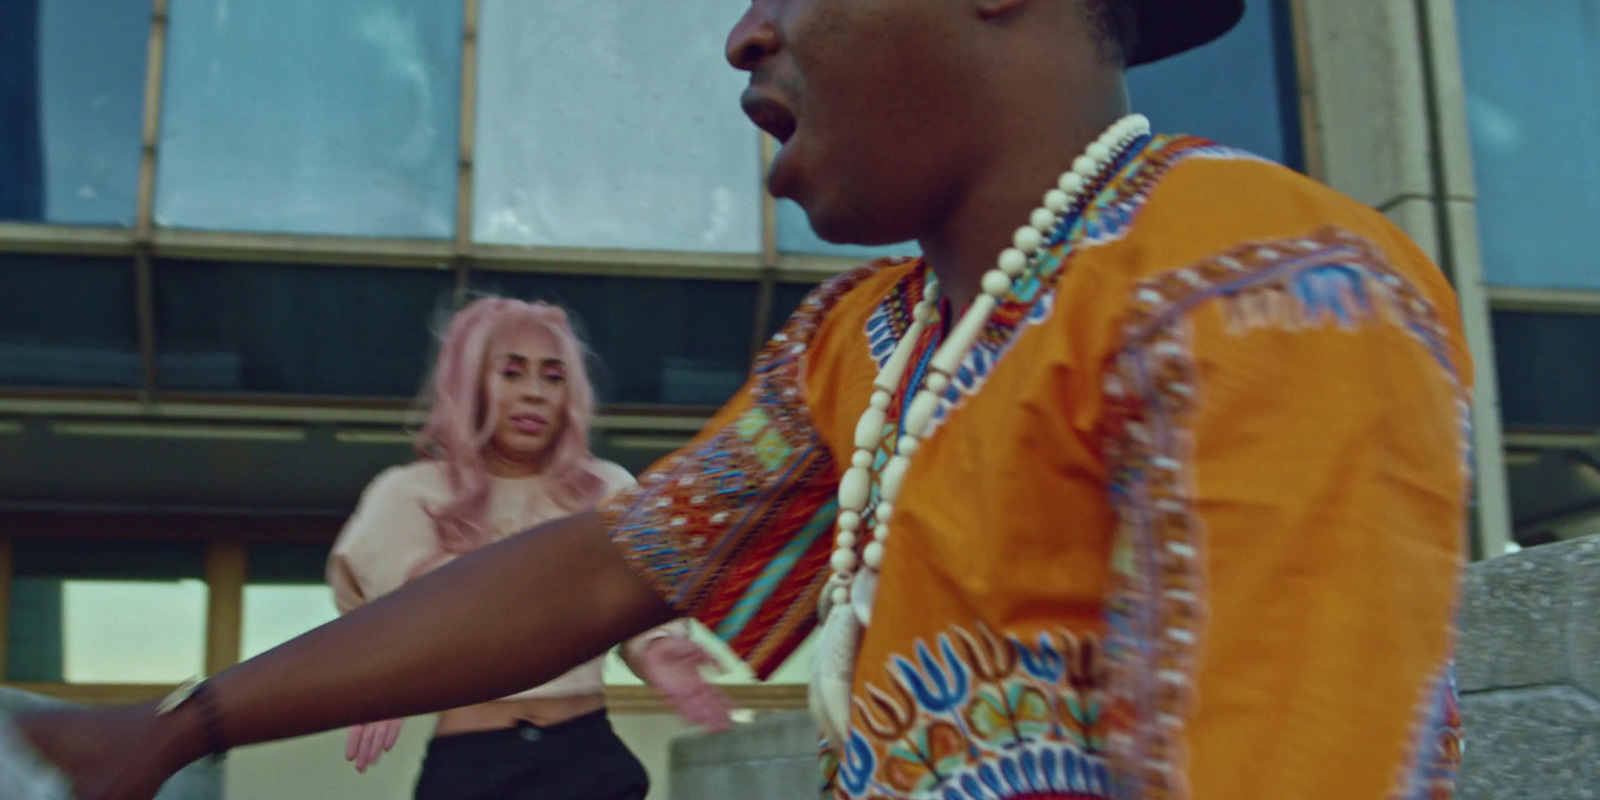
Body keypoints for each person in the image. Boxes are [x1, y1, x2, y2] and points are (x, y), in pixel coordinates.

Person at [14, 1, 1470, 799]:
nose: (743, 33)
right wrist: (184, 723)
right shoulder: (870, 343)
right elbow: (611, 561)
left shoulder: (1265, 294)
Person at [326, 296, 732, 799]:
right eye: (512, 373)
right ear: (470, 383)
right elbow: (375, 616)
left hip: (589, 758)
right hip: (474, 766)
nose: (535, 394)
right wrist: (380, 672)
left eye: (553, 377)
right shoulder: (408, 494)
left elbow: (642, 599)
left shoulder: (607, 490)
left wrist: (657, 649)